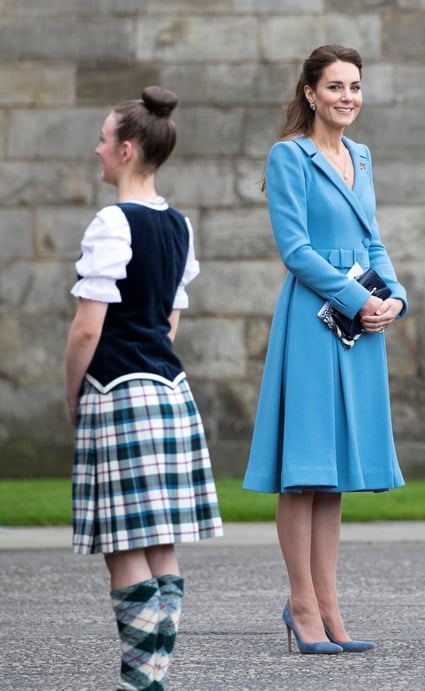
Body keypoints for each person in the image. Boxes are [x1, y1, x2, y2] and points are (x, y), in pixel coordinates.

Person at [242, 45, 407, 655]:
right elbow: (296, 249)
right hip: (313, 320)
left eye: (356, 86)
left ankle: (331, 605)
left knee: (333, 475)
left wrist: (395, 297)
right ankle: (301, 605)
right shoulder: (290, 156)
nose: (348, 97)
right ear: (310, 92)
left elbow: (375, 241)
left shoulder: (361, 156)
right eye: (336, 86)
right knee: (303, 471)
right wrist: (352, 298)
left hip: (360, 323)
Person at [65, 86, 223, 690]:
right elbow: (169, 318)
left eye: (104, 140)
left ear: (127, 149)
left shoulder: (112, 221)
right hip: (168, 386)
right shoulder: (179, 224)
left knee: (125, 543)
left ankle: (141, 680)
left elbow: (87, 327)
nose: (97, 149)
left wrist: (72, 393)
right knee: (160, 541)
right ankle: (152, 676)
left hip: (117, 389)